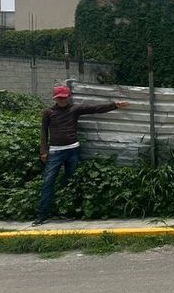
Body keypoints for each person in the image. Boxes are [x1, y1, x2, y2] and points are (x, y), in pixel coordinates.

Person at [34, 85, 129, 225]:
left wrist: (114, 105)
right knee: (48, 182)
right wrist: (43, 151)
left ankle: (68, 212)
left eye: (64, 97)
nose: (62, 100)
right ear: (55, 98)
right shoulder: (48, 112)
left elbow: (95, 109)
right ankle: (42, 215)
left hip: (73, 150)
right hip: (55, 152)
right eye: (59, 98)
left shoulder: (75, 109)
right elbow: (43, 132)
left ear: (69, 97)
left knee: (71, 182)